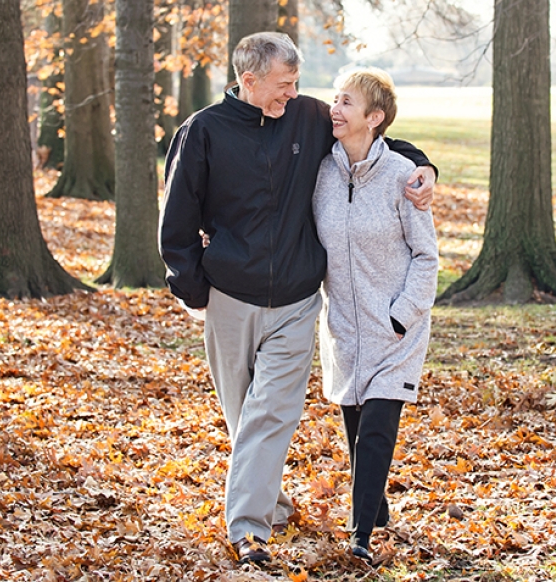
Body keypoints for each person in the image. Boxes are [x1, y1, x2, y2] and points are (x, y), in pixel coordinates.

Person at [157, 32, 436, 565]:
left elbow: (375, 140)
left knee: (273, 414)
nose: (293, 94)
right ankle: (271, 501)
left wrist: (424, 167)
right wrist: (195, 292)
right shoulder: (203, 132)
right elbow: (175, 224)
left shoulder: (306, 117)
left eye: (296, 84)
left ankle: (248, 531)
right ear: (250, 80)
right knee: (244, 417)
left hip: (295, 300)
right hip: (229, 299)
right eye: (283, 85)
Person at [312, 69, 439, 563]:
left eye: (347, 102)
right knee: (355, 427)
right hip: (342, 325)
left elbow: (427, 256)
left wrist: (402, 314)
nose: (335, 109)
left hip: (395, 329)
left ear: (374, 117)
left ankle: (360, 534)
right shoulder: (320, 172)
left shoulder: (403, 177)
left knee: (378, 428)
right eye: (335, 98)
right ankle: (377, 506)